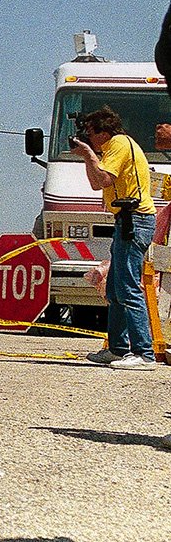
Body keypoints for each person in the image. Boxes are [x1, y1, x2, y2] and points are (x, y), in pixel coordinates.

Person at [71, 106, 157, 370]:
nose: (88, 139)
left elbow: (103, 180)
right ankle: (118, 349)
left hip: (135, 220)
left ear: (104, 132)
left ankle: (144, 353)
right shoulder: (111, 149)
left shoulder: (119, 144)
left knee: (129, 288)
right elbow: (98, 182)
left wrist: (87, 154)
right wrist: (89, 156)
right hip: (127, 221)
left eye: (90, 134)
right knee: (115, 289)